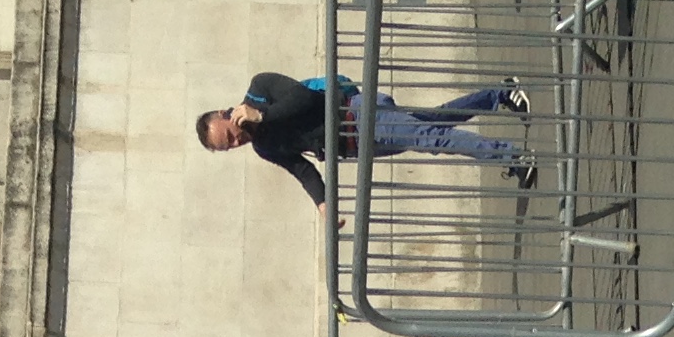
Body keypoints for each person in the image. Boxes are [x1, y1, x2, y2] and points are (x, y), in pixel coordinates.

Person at [198, 72, 535, 204]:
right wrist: (322, 203)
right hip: (357, 145)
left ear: (226, 114)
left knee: (432, 139)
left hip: (358, 113)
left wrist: (263, 115)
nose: (237, 142)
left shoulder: (260, 89)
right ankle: (501, 93)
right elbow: (301, 169)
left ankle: (512, 156)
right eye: (230, 147)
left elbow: (305, 98)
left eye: (230, 136)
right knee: (433, 124)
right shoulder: (264, 146)